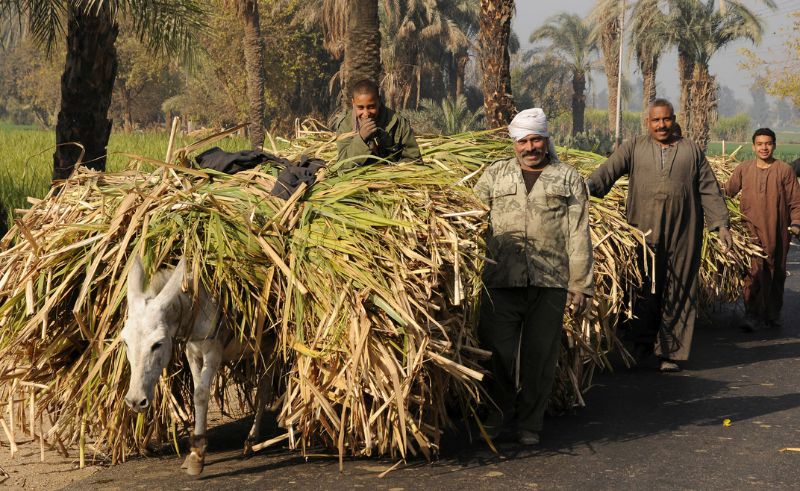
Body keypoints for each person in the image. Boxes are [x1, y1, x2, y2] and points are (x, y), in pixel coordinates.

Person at [474, 108, 594, 446]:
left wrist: (581, 284)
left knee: (540, 356)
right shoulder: (495, 175)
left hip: (550, 281)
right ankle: (497, 415)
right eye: (523, 140)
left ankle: (530, 423)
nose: (530, 147)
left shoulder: (567, 177)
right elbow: (471, 217)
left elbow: (578, 234)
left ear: (546, 139)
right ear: (514, 143)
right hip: (501, 279)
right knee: (497, 353)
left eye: (536, 139)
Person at [586, 99, 732, 372]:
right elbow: (608, 171)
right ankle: (642, 341)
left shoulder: (692, 151)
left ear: (674, 119)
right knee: (644, 286)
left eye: (666, 119)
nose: (662, 125)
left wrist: (720, 224)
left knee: (680, 288)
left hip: (684, 230)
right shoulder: (634, 147)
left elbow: (709, 189)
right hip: (644, 229)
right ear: (647, 122)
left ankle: (671, 352)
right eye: (656, 120)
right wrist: (586, 187)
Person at [723, 128, 800, 329]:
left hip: (778, 231)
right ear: (753, 146)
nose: (764, 147)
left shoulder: (784, 170)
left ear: (774, 145)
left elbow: (795, 201)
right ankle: (752, 314)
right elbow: (727, 191)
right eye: (760, 144)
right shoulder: (743, 169)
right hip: (750, 233)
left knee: (777, 272)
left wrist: (796, 223)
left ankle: (772, 314)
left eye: (768, 143)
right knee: (753, 273)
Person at [334, 79, 420, 168]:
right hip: (356, 179)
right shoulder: (346, 125)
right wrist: (361, 138)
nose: (366, 114)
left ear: (379, 101)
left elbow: (414, 159)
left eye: (371, 107)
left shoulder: (398, 123)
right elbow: (342, 165)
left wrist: (393, 170)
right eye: (360, 108)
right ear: (353, 103)